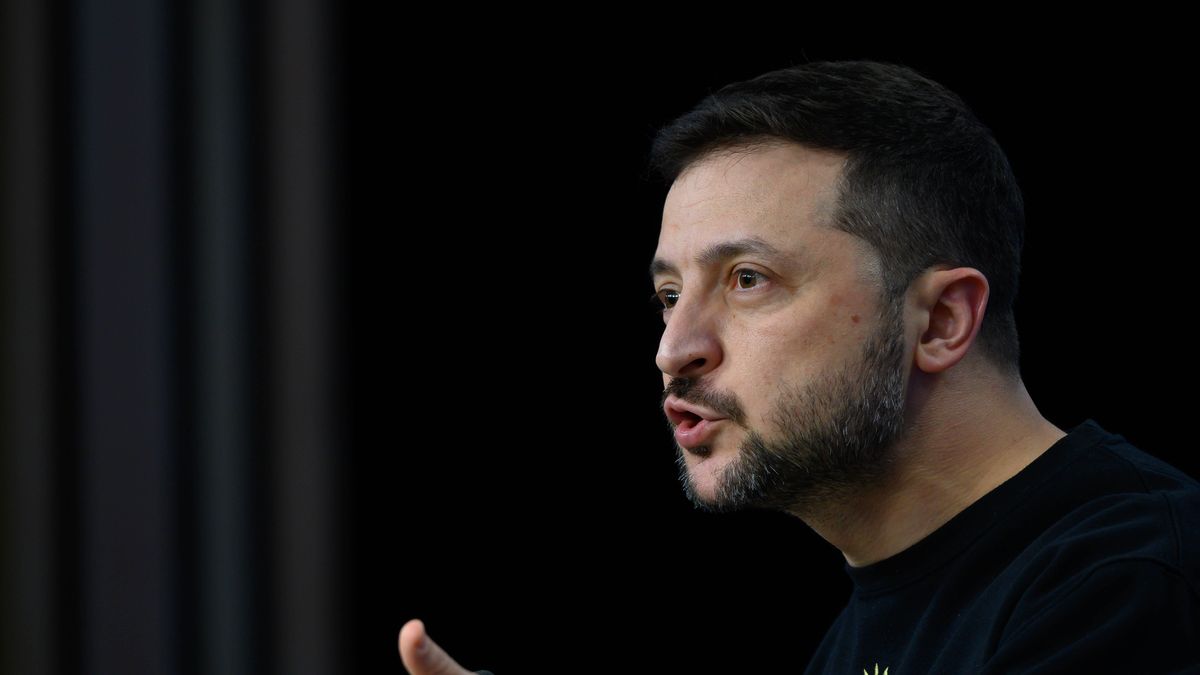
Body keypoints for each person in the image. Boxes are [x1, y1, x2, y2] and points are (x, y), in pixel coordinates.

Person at [400, 59, 1200, 674]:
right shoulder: (865, 625)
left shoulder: (1129, 584)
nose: (673, 348)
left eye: (748, 280)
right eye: (668, 293)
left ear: (943, 319)